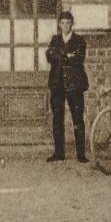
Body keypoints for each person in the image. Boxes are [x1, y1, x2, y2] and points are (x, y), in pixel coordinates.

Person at [45, 10, 88, 163]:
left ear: (72, 24)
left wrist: (59, 56)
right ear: (59, 24)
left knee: (78, 118)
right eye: (62, 23)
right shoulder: (55, 39)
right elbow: (49, 57)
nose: (65, 26)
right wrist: (66, 56)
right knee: (57, 118)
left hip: (74, 84)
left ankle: (81, 154)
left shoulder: (79, 40)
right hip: (57, 84)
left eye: (68, 23)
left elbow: (79, 59)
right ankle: (59, 153)